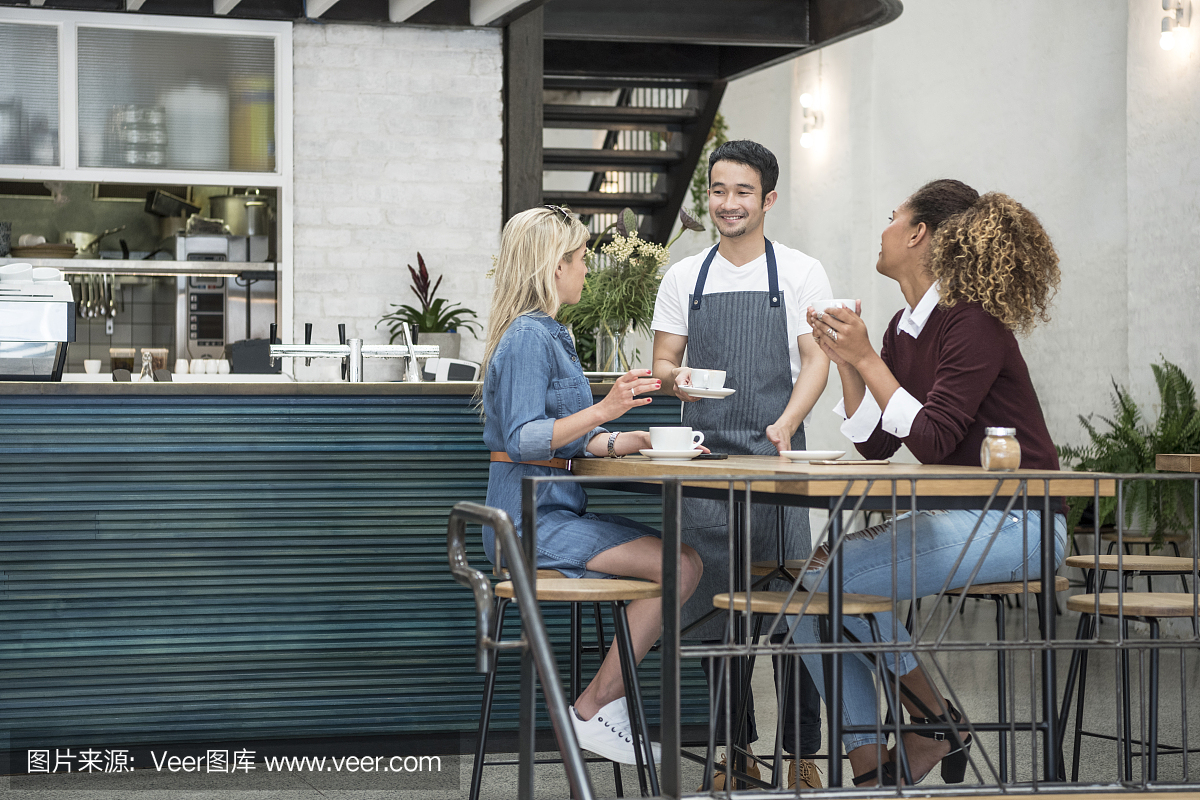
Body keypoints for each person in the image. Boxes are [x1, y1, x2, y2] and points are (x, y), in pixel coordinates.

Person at [795, 179, 1067, 785]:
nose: (883, 227)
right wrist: (848, 364)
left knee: (824, 582)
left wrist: (868, 360)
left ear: (918, 234)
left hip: (1023, 523)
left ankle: (931, 724)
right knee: (805, 599)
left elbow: (936, 438)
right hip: (961, 520)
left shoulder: (974, 323)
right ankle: (871, 766)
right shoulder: (904, 327)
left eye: (893, 217)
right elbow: (877, 444)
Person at [481, 205, 704, 766]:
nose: (587, 270)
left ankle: (603, 708)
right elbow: (527, 437)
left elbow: (572, 441)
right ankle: (593, 710)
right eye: (581, 260)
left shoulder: (549, 333)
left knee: (683, 562)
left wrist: (635, 441)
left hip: (554, 517)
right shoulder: (530, 335)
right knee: (681, 566)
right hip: (528, 525)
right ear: (555, 266)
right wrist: (605, 407)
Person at [651, 140, 831, 789]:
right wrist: (681, 381)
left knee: (790, 611)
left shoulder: (801, 273)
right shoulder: (684, 277)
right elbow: (664, 364)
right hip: (702, 463)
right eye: (719, 190)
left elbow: (816, 359)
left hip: (778, 462)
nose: (728, 203)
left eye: (742, 192)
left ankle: (801, 753)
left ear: (768, 199)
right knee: (710, 610)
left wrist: (785, 421)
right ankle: (734, 751)